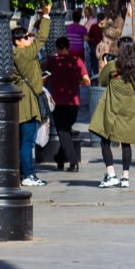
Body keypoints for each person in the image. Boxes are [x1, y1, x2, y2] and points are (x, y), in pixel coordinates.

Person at [90, 37, 135, 188]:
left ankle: (111, 175)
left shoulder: (112, 66)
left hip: (112, 108)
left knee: (105, 140)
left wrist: (103, 65)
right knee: (126, 142)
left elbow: (102, 81)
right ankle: (125, 177)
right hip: (130, 108)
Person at [46, 36, 89, 174]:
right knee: (66, 130)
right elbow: (87, 81)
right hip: (73, 102)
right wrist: (78, 82)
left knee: (63, 132)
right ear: (68, 47)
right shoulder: (77, 61)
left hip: (57, 102)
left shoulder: (52, 62)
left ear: (57, 48)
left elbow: (43, 78)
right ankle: (60, 157)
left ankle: (73, 161)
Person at [11, 27, 46, 186]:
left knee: (24, 141)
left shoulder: (16, 54)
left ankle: (25, 172)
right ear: (17, 42)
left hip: (24, 99)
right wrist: (46, 16)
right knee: (28, 142)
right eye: (25, 37)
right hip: (28, 104)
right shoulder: (23, 54)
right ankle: (28, 174)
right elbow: (41, 40)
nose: (28, 38)